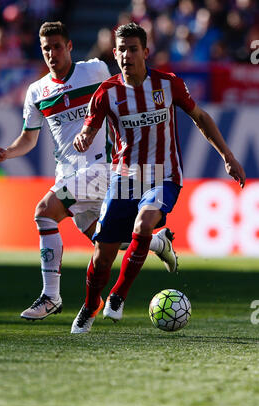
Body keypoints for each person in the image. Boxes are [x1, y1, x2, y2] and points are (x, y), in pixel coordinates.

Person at [0, 21, 172, 322]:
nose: (52, 53)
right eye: (46, 48)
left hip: (101, 167)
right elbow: (29, 137)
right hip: (68, 174)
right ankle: (157, 241)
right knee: (106, 241)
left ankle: (51, 296)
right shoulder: (37, 91)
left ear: (70, 46)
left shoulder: (95, 71)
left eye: (58, 46)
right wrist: (9, 152)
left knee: (44, 211)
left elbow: (127, 83)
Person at [71, 22, 246, 334]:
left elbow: (201, 118)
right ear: (114, 53)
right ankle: (90, 305)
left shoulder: (168, 85)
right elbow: (88, 129)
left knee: (143, 224)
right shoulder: (106, 94)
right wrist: (82, 138)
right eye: (121, 50)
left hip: (163, 175)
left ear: (145, 52)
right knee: (101, 259)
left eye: (133, 49)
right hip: (124, 178)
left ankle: (118, 297)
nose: (127, 55)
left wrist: (228, 157)